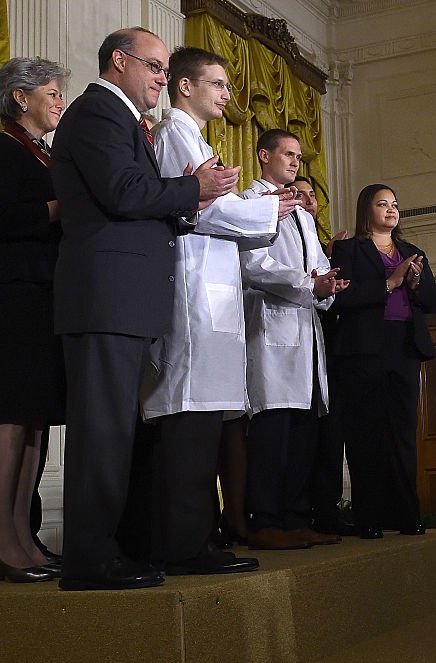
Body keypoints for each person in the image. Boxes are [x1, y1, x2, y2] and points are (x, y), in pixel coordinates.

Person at [51, 27, 239, 591]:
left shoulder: (121, 119)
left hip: (123, 298)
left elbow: (134, 193)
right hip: (105, 295)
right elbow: (124, 193)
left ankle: (109, 549)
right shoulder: (98, 113)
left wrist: (182, 190)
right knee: (102, 432)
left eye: (164, 68)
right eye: (154, 66)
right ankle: (89, 560)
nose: (162, 77)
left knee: (115, 433)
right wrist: (193, 190)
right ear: (118, 61)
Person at [140, 46, 289, 573]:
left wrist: (256, 210)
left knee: (205, 419)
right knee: (189, 416)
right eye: (219, 84)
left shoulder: (196, 138)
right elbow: (203, 207)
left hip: (214, 288)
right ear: (187, 87)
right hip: (191, 288)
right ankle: (184, 544)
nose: (228, 95)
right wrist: (266, 206)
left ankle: (196, 536)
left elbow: (221, 209)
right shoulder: (175, 133)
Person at [0, 57, 70, 583]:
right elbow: (0, 220)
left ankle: (23, 537)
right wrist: (63, 205)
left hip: (40, 302)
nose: (59, 101)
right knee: (6, 414)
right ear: (20, 98)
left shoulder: (43, 157)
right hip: (1, 305)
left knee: (33, 420)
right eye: (51, 92)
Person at [241, 130, 349, 550]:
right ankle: (265, 520)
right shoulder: (251, 205)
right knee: (273, 430)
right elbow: (253, 265)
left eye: (299, 157)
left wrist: (328, 283)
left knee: (303, 429)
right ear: (263, 154)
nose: (295, 162)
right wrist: (309, 284)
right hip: (270, 330)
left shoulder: (302, 213)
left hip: (305, 331)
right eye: (287, 154)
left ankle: (295, 516)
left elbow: (318, 263)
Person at [330, 184, 436, 539]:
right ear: (368, 211)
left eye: (395, 204)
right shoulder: (350, 250)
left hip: (404, 348)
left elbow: (434, 301)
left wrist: (415, 281)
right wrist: (390, 282)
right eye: (383, 204)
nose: (392, 210)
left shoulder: (412, 250)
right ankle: (369, 517)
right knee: (366, 434)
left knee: (403, 435)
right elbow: (340, 298)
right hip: (363, 351)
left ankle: (406, 514)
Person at [292, 176, 356, 536]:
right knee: (305, 433)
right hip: (296, 343)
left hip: (330, 349)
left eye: (312, 195)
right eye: (298, 193)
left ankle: (328, 508)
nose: (307, 200)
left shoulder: (333, 247)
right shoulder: (282, 233)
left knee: (332, 435)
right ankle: (303, 512)